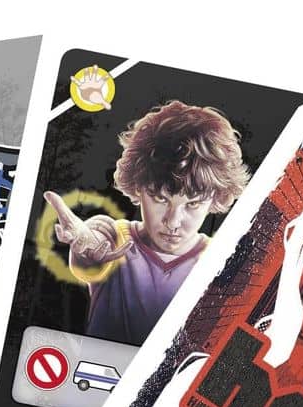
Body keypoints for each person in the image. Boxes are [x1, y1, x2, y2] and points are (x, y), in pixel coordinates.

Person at [45, 100, 249, 345]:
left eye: (193, 204)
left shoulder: (221, 262)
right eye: (160, 198)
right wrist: (87, 245)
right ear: (138, 188)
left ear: (215, 198)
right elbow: (97, 241)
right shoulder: (116, 238)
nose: (173, 221)